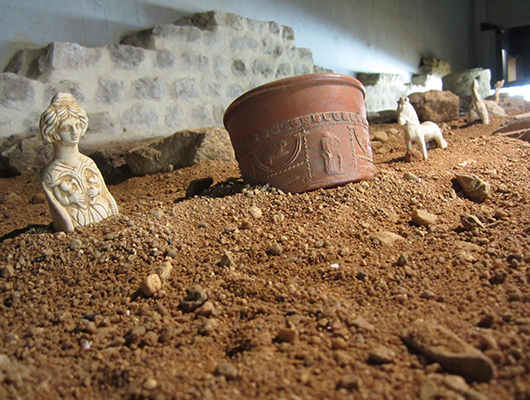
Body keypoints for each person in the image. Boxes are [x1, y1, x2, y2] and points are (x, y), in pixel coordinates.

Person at [39, 93, 118, 232]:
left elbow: (109, 199)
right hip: (78, 228)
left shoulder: (88, 163)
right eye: (66, 128)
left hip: (107, 222)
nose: (75, 132)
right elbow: (61, 211)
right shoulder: (51, 174)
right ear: (53, 132)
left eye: (77, 125)